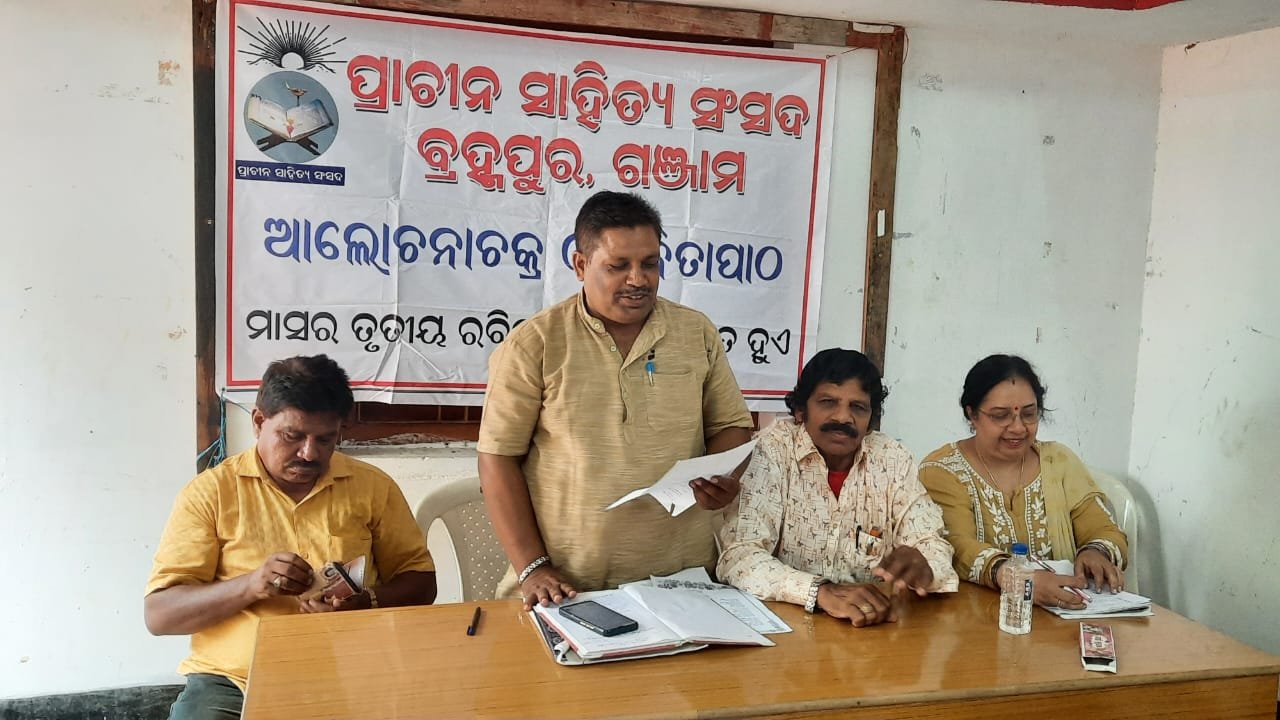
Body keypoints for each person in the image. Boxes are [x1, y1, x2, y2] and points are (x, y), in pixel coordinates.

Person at [478, 190, 754, 609]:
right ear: (581, 265)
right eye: (618, 266)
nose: (638, 279)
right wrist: (533, 567)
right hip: (568, 588)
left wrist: (721, 478)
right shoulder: (536, 344)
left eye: (650, 264)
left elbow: (730, 425)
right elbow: (497, 458)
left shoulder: (696, 332)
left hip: (684, 582)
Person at [145, 355, 436, 720]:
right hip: (234, 681)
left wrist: (365, 603)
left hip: (350, 670)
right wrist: (251, 585)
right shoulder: (211, 493)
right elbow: (160, 615)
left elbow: (421, 582)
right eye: (292, 436)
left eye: (325, 439)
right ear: (258, 422)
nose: (309, 453)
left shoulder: (372, 487)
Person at [717, 349, 958, 626]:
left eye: (858, 407)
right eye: (828, 402)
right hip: (787, 626)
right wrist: (818, 592)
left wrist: (925, 567)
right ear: (801, 410)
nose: (843, 417)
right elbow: (739, 557)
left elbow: (931, 543)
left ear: (871, 420)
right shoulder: (772, 451)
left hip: (872, 626)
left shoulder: (893, 459)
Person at [918, 354, 1128, 611]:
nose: (1018, 428)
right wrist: (1017, 579)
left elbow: (1104, 529)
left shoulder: (1058, 461)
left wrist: (1096, 552)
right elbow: (957, 547)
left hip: (1066, 616)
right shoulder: (943, 470)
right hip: (978, 618)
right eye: (1000, 416)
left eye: (1029, 414)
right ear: (972, 414)